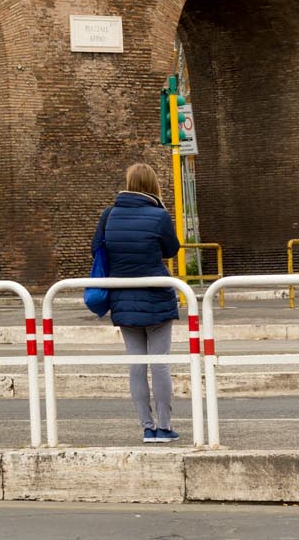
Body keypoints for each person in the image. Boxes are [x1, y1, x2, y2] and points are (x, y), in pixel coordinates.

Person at [94, 161, 183, 443]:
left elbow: (96, 248)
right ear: (152, 185)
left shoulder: (109, 215)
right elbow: (171, 249)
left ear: (129, 184)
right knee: (160, 364)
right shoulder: (159, 216)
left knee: (136, 364)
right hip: (156, 297)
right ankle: (164, 428)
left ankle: (146, 427)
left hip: (122, 297)